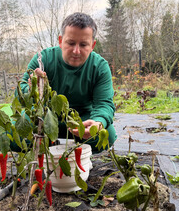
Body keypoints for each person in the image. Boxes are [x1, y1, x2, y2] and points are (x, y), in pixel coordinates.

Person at [16, 12, 117, 153]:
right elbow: (20, 91)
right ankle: (47, 148)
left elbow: (104, 103)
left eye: (83, 44)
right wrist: (32, 90)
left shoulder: (99, 66)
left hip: (81, 120)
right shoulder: (43, 59)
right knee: (11, 135)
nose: (76, 51)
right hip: (46, 117)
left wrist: (98, 122)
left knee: (107, 136)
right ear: (60, 40)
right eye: (70, 43)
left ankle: (81, 155)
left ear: (93, 45)